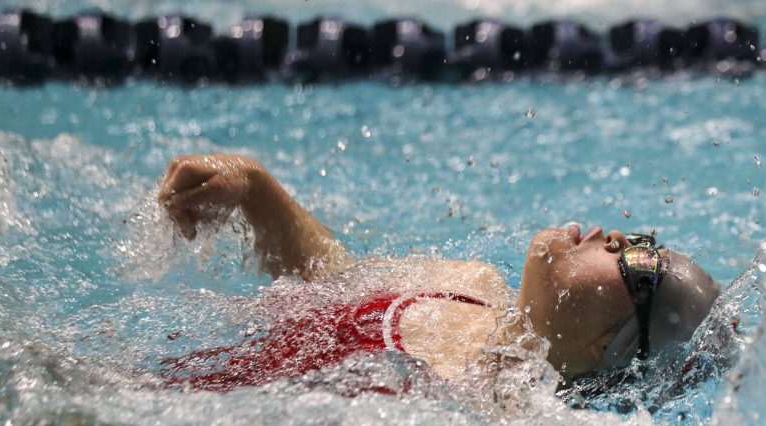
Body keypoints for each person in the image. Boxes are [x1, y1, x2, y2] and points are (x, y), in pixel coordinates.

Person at [156, 154, 720, 395]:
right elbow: (326, 273)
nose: (621, 238)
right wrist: (254, 188)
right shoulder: (469, 285)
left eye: (641, 264)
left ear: (610, 345)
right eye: (644, 240)